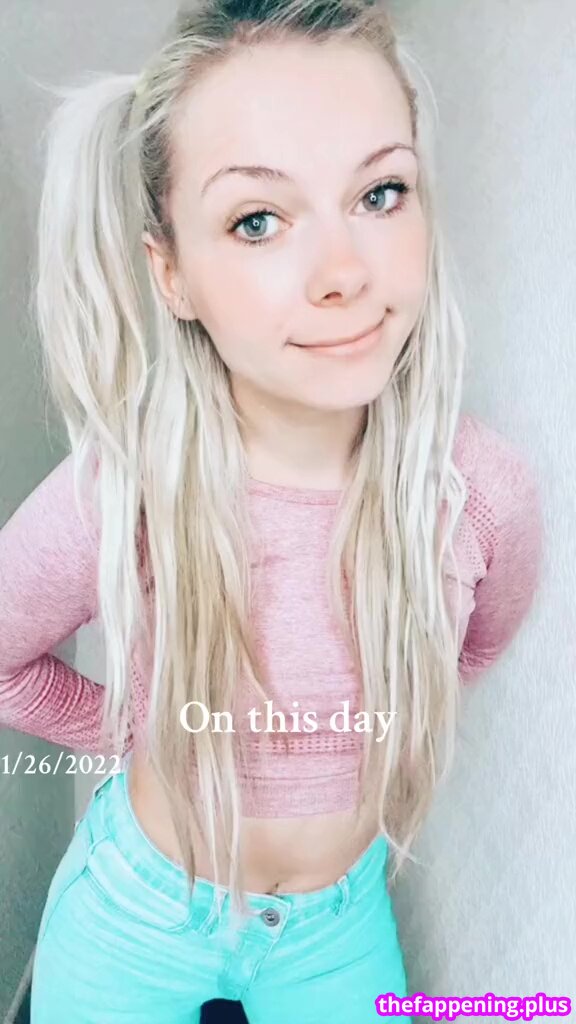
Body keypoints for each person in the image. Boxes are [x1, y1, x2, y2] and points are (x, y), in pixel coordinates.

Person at [0, 0, 543, 1020]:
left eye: (380, 193)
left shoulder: (480, 496)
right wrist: (138, 732)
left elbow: (469, 651)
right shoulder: (127, 487)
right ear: (173, 275)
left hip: (339, 925)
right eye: (258, 219)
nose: (343, 272)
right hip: (137, 917)